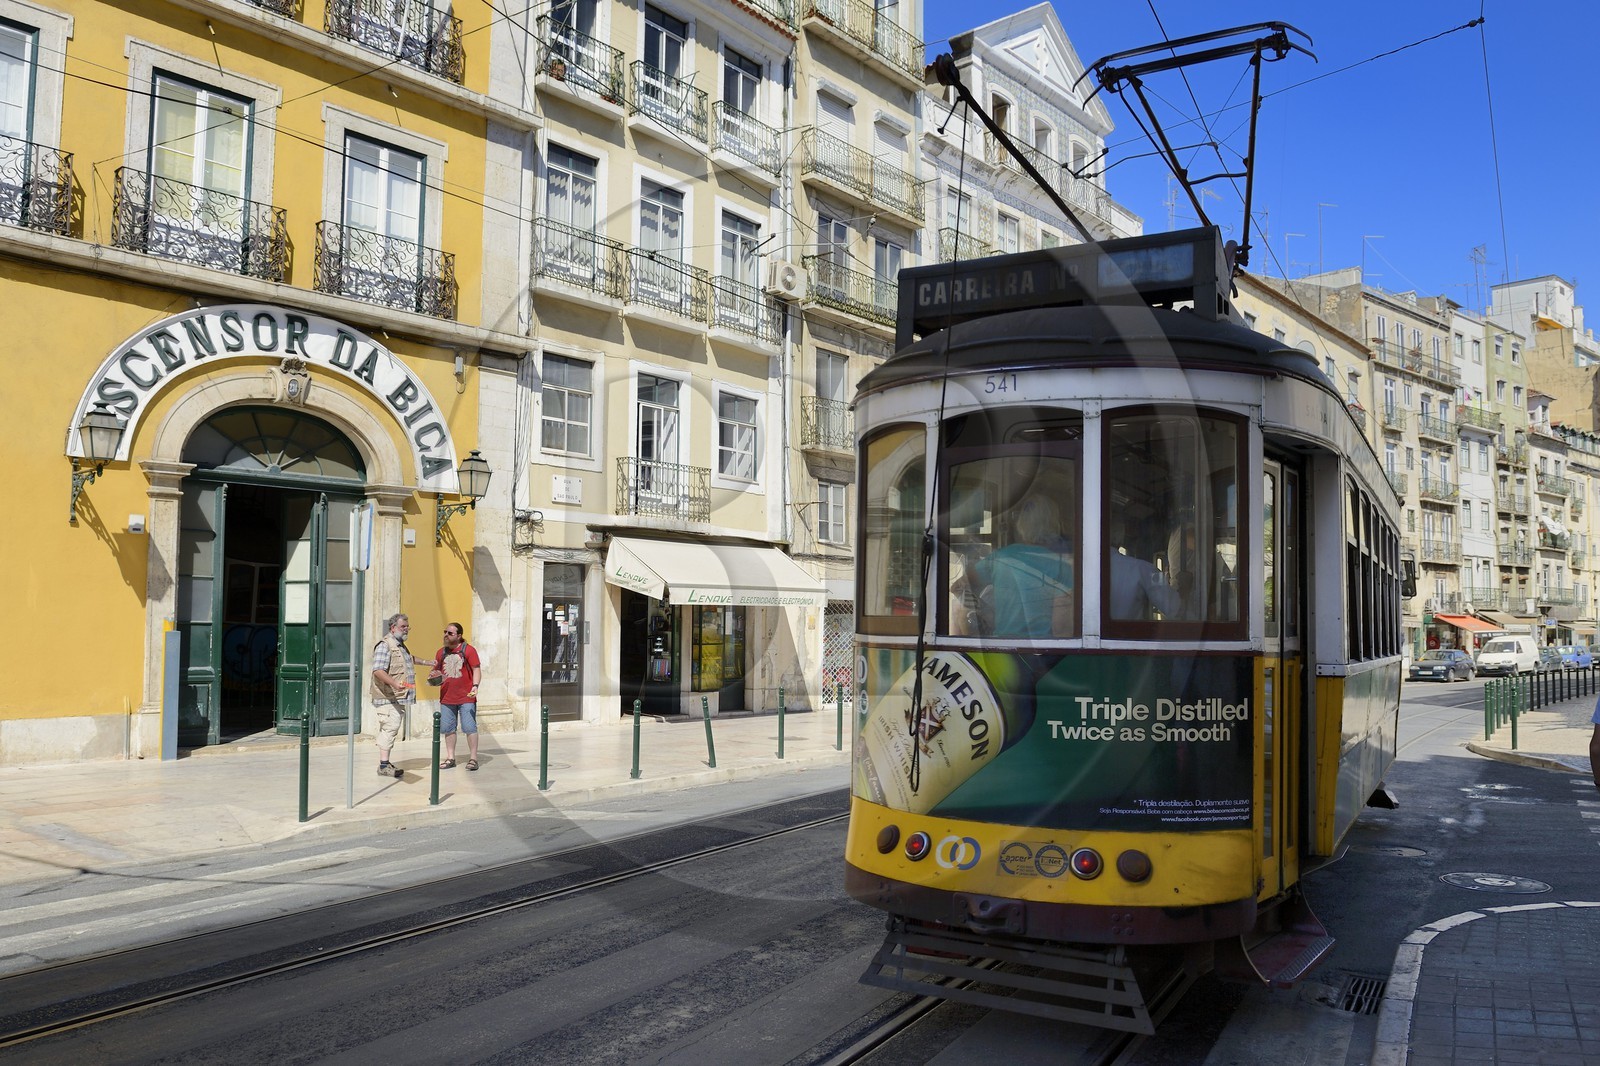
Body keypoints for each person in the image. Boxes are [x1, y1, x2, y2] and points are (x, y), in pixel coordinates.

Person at [975, 497, 1074, 638]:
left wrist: (987, 614)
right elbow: (1061, 628)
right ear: (1054, 524)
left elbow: (959, 587)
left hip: (1002, 648)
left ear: (1021, 524)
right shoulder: (1061, 564)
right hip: (1042, 652)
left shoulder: (1001, 557)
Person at [369, 612, 430, 779]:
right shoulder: (385, 645)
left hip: (396, 697)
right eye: (403, 627)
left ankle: (385, 763)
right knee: (390, 728)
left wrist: (427, 662)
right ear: (393, 627)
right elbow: (378, 670)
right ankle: (383, 765)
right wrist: (394, 683)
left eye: (407, 627)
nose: (406, 630)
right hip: (387, 696)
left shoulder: (399, 645)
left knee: (391, 727)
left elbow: (408, 659)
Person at [431, 621, 483, 771]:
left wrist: (475, 686)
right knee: (448, 728)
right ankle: (450, 757)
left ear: (459, 636)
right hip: (447, 697)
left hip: (466, 696)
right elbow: (437, 671)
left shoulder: (469, 650)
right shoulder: (440, 652)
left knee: (469, 727)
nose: (446, 635)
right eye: (445, 632)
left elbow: (477, 669)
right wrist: (433, 677)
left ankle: (473, 758)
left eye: (450, 633)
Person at [1109, 519, 1183, 621]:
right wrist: (1184, 588)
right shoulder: (1146, 570)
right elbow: (1176, 610)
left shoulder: (1080, 572)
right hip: (1128, 636)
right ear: (1120, 534)